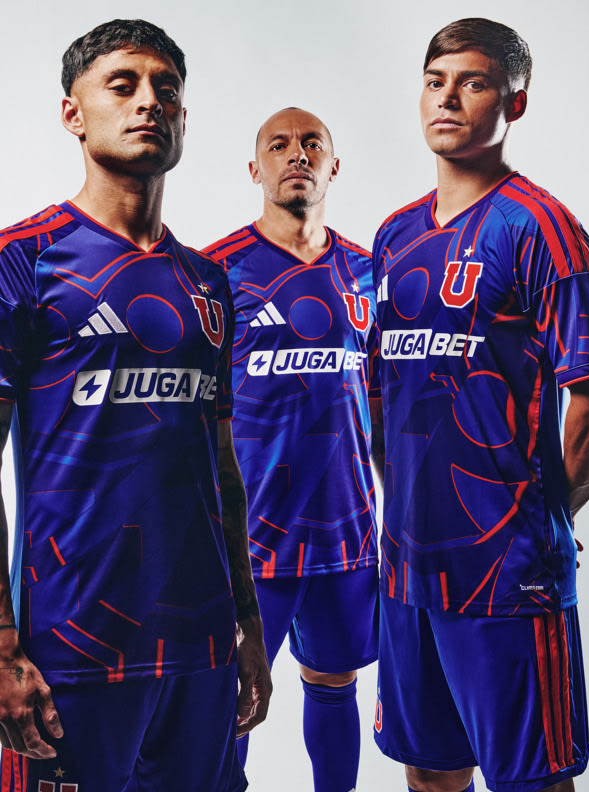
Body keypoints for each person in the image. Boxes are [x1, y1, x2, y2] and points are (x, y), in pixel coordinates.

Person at [0, 18, 271, 792]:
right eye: (123, 85)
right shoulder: (24, 261)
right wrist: (1, 645)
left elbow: (222, 469)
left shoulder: (206, 282)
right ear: (72, 114)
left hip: (202, 644)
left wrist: (247, 622)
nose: (150, 101)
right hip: (70, 648)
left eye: (167, 90)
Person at [372, 17, 589, 792]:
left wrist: (543, 516)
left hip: (507, 576)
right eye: (435, 81)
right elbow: (383, 395)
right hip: (406, 568)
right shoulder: (394, 236)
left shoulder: (543, 228)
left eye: (472, 83)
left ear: (514, 103)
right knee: (430, 771)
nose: (447, 98)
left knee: (530, 780)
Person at [204, 107, 382, 792]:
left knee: (334, 682)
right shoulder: (215, 272)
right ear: (256, 169)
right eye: (279, 146)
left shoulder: (367, 271)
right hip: (249, 539)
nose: (297, 155)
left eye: (312, 144)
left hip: (345, 530)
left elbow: (385, 406)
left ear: (334, 166)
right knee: (229, 701)